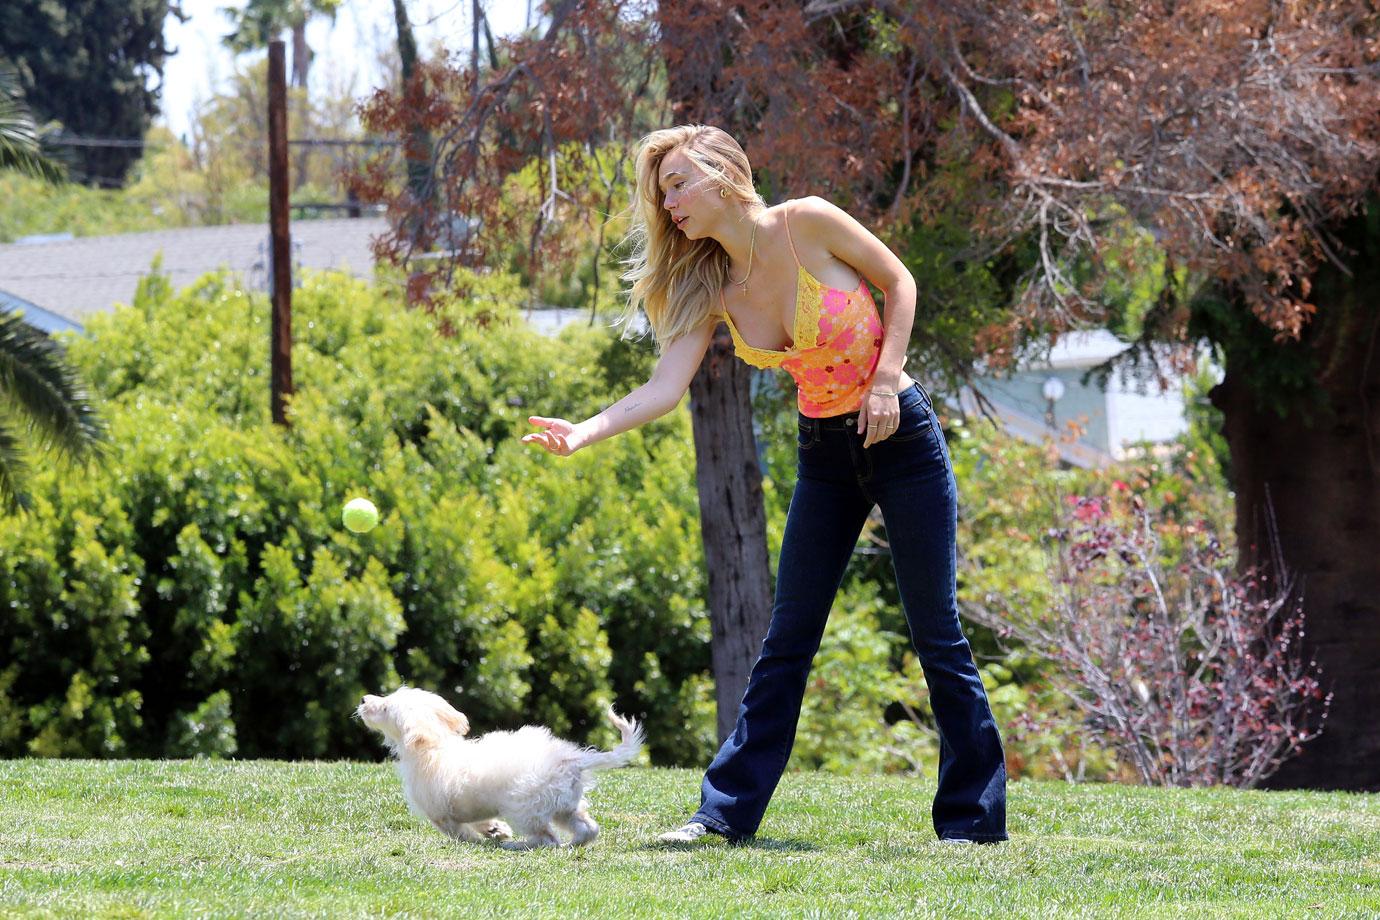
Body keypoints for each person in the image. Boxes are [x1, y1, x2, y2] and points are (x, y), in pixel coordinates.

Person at [522, 124, 1007, 845]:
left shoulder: (806, 222)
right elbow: (662, 387)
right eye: (664, 193)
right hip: (825, 455)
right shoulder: (708, 281)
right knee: (787, 641)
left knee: (937, 634)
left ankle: (971, 824)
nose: (671, 201)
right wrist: (584, 430)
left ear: (722, 173)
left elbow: (900, 282)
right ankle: (720, 817)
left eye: (680, 182)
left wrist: (882, 380)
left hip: (901, 436)